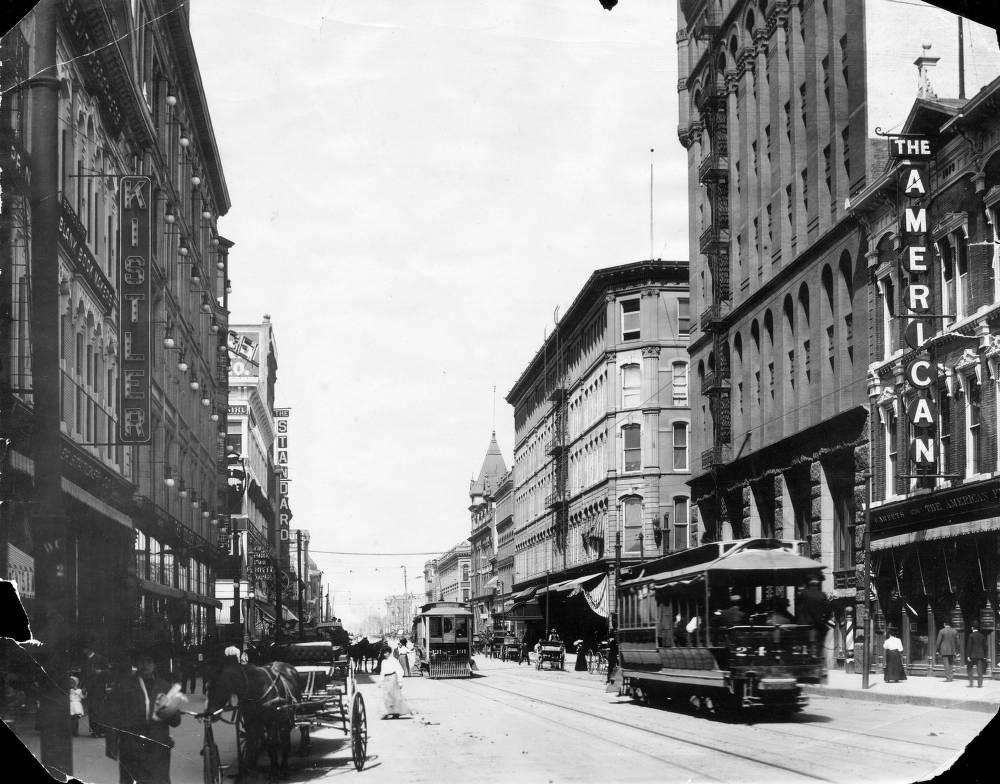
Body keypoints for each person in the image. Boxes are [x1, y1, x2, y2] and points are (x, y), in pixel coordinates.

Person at [110, 654, 183, 784]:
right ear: (136, 664)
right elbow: (113, 716)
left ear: (154, 665)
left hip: (157, 747)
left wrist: (168, 710)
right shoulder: (124, 686)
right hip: (131, 747)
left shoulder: (165, 687)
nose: (145, 665)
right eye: (141, 661)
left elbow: (176, 722)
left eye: (149, 661)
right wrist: (111, 745)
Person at [80, 644, 110, 738]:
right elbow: (83, 674)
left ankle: (101, 731)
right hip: (90, 688)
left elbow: (108, 672)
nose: (83, 651)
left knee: (99, 710)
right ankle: (94, 730)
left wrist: (101, 672)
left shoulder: (101, 659)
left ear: (88, 649)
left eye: (84, 649)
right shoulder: (85, 660)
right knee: (92, 709)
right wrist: (83, 686)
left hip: (99, 687)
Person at [378, 647, 412, 719]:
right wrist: (380, 681)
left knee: (395, 696)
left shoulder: (394, 660)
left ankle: (396, 712)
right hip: (386, 679)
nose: (385, 654)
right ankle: (387, 712)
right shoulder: (383, 662)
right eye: (384, 653)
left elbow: (399, 670)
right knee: (386, 696)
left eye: (386, 653)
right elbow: (382, 672)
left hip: (393, 677)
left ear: (389, 653)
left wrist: (400, 682)